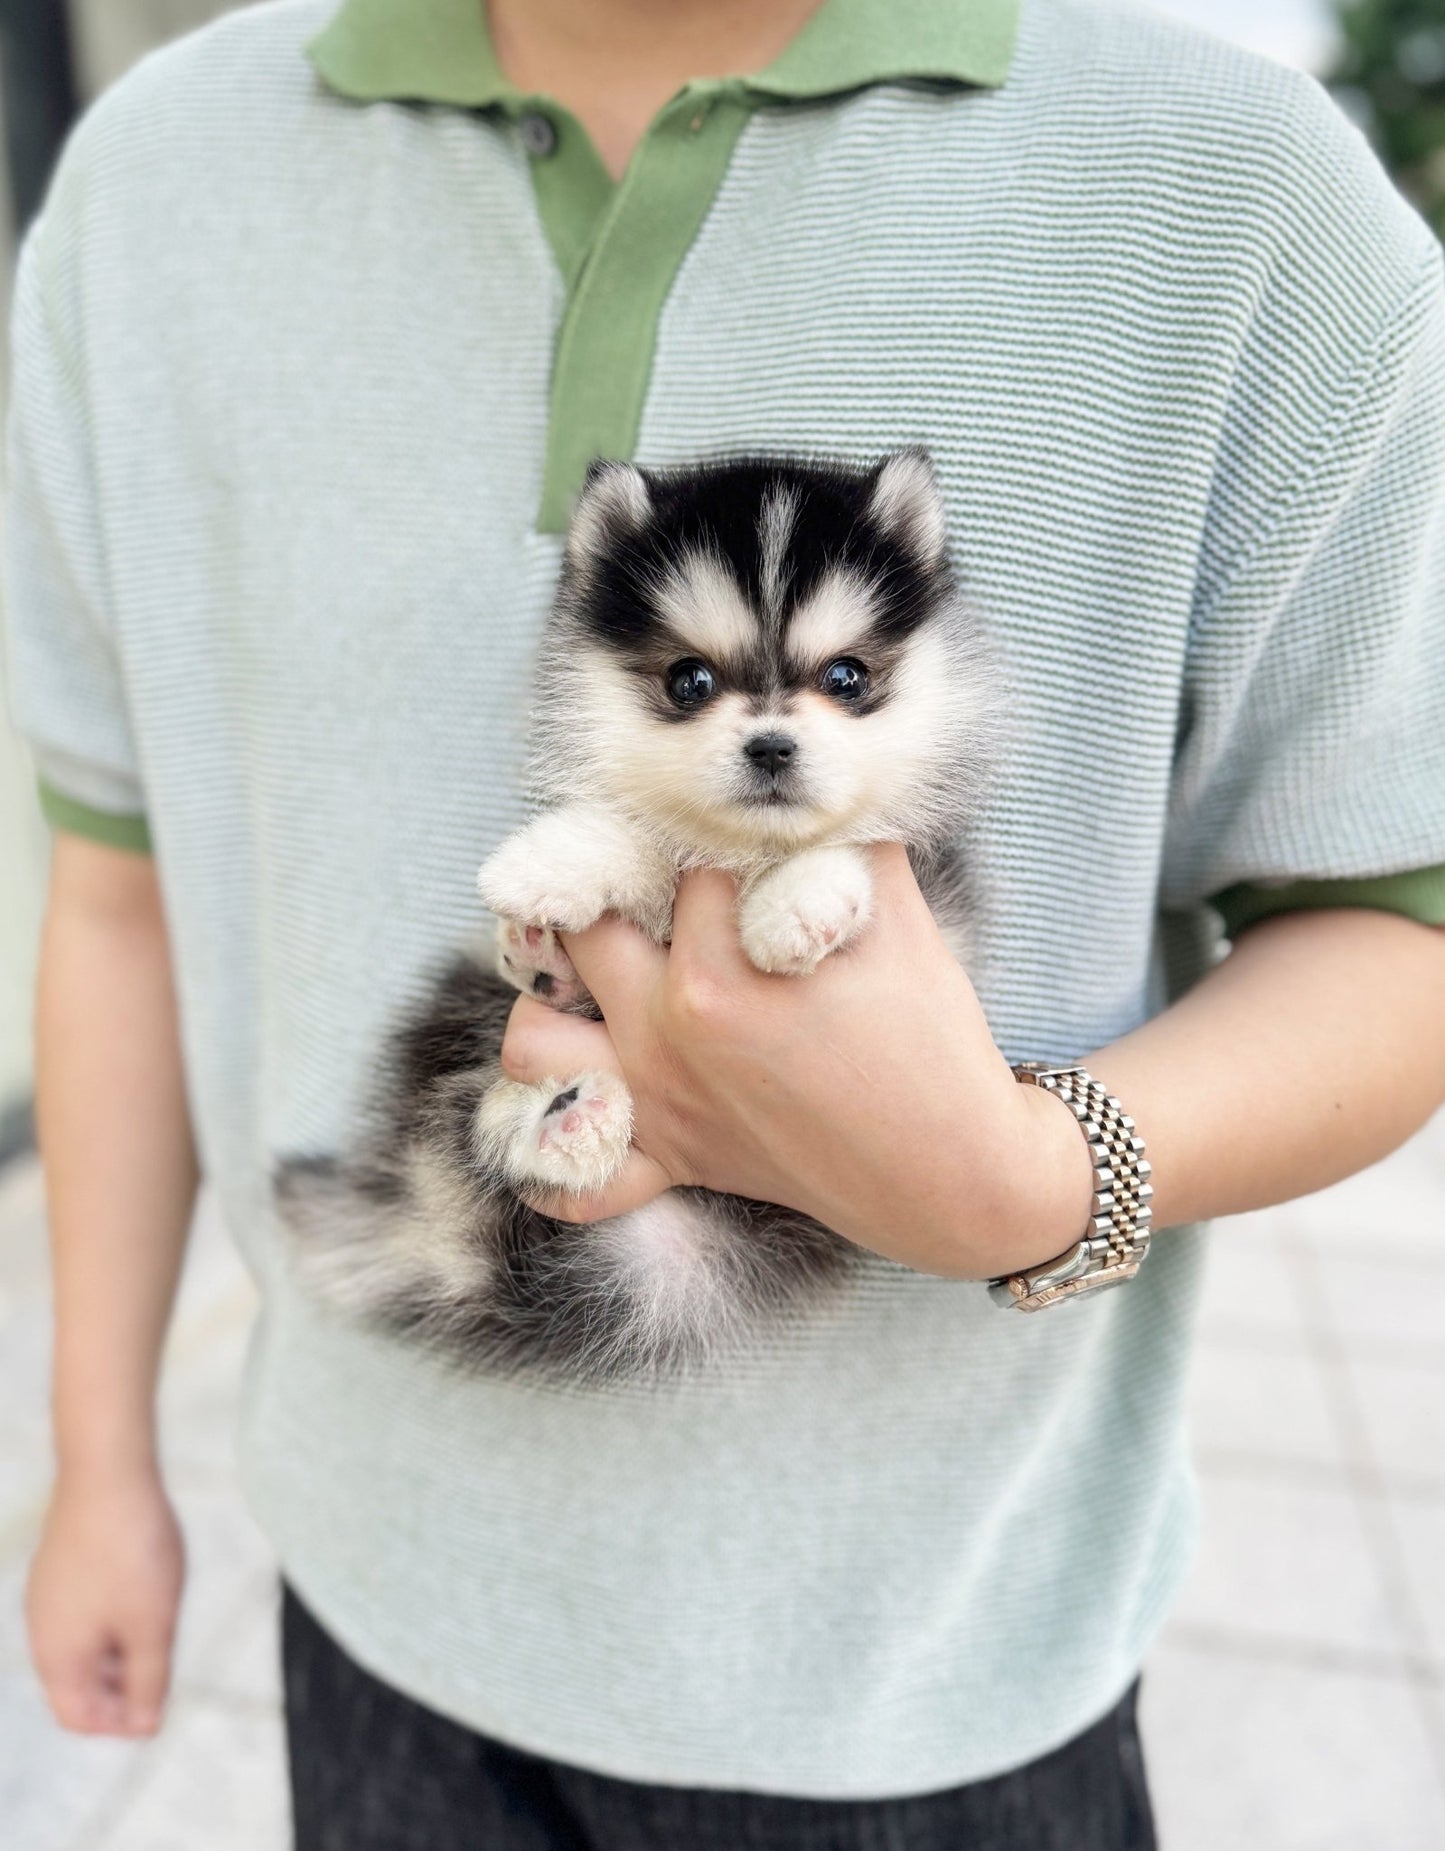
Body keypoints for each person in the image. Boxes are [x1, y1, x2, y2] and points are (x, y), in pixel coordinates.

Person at [9, 0, 1445, 1845]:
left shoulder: (1238, 196)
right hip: (373, 1591)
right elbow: (119, 895)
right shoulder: (148, 186)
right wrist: (100, 1459)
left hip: (938, 1681)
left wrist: (1021, 1177)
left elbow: (1393, 925)